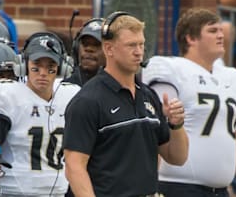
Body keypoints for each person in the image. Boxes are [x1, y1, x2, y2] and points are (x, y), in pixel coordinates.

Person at [63, 11, 189, 197]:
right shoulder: (88, 101)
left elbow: (177, 158)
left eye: (141, 44)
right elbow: (74, 167)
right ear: (109, 49)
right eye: (131, 45)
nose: (138, 52)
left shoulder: (149, 96)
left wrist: (176, 124)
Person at [142, 8, 236, 197]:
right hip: (178, 186)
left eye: (221, 30)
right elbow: (156, 130)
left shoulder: (233, 77)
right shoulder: (169, 67)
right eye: (212, 31)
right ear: (190, 38)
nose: (221, 35)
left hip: (221, 191)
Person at [0, 32, 80, 196]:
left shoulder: (70, 95)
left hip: (58, 191)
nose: (43, 73)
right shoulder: (6, 95)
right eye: (36, 65)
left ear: (62, 68)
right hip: (13, 191)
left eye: (50, 66)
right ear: (23, 65)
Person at [64, 18, 106, 86]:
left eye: (96, 44)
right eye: (85, 44)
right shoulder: (64, 88)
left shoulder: (121, 88)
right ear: (76, 48)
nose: (89, 49)